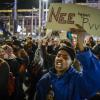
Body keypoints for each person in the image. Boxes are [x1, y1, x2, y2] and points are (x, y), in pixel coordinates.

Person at [34, 24, 100, 100]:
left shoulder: (77, 79)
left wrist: (81, 45)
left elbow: (94, 79)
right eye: (58, 56)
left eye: (65, 57)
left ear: (71, 62)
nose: (60, 58)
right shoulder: (45, 79)